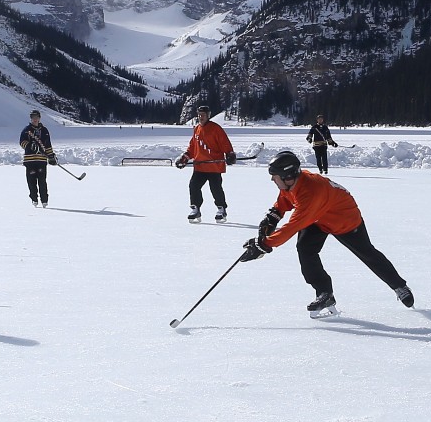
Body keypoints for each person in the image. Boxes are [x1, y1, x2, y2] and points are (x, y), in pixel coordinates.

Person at [239, 150, 412, 316]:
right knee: (305, 249)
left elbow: (293, 226)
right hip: (318, 219)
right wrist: (272, 217)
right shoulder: (293, 183)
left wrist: (264, 245)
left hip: (344, 220)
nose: (272, 179)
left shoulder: (311, 192)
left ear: (287, 176)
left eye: (274, 176)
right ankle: (324, 293)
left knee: (367, 253)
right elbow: (286, 198)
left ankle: (399, 286)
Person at [175, 104, 235, 221]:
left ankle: (221, 209)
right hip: (200, 166)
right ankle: (195, 208)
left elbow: (225, 143)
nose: (201, 117)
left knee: (215, 188)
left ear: (208, 116)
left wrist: (229, 154)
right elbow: (192, 147)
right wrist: (185, 158)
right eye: (199, 115)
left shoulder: (216, 129)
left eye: (203, 115)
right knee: (194, 186)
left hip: (214, 166)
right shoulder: (197, 129)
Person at [19, 109, 54, 207]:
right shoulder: (26, 130)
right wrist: (29, 145)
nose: (35, 119)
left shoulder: (44, 130)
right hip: (30, 160)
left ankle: (44, 200)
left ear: (39, 118)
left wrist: (51, 156)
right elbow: (22, 142)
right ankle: (34, 198)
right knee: (31, 181)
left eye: (36, 117)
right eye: (33, 117)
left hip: (41, 160)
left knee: (42, 181)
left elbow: (48, 145)